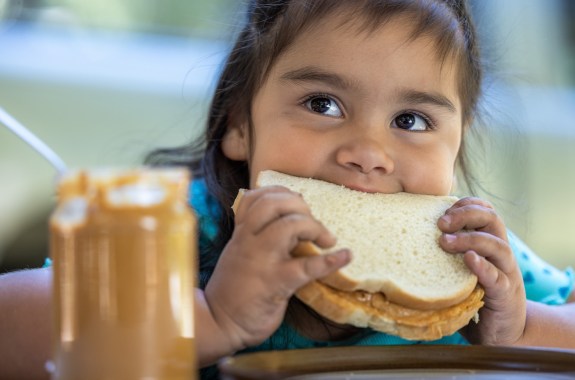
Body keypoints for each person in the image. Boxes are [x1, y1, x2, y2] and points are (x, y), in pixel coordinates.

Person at [0, 0, 574, 379]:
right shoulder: (181, 224)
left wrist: (522, 330)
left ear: (458, 142)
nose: (369, 154)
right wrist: (208, 318)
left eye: (412, 121)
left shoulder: (469, 259)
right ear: (239, 125)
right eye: (322, 104)